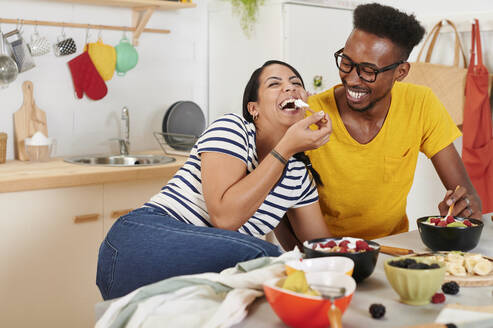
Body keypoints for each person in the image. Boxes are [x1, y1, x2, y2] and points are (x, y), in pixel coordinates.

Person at [96, 60, 333, 300]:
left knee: (276, 269)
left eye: (296, 84)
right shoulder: (232, 129)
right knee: (263, 260)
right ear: (254, 109)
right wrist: (284, 149)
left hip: (200, 265)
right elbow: (225, 217)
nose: (290, 88)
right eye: (275, 83)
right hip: (138, 240)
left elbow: (323, 250)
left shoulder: (297, 176)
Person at [293, 3, 482, 241]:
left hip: (393, 248)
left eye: (368, 71)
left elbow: (469, 200)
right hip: (326, 254)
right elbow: (283, 205)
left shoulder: (420, 103)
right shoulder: (312, 113)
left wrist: (459, 210)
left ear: (401, 72)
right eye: (346, 62)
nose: (351, 79)